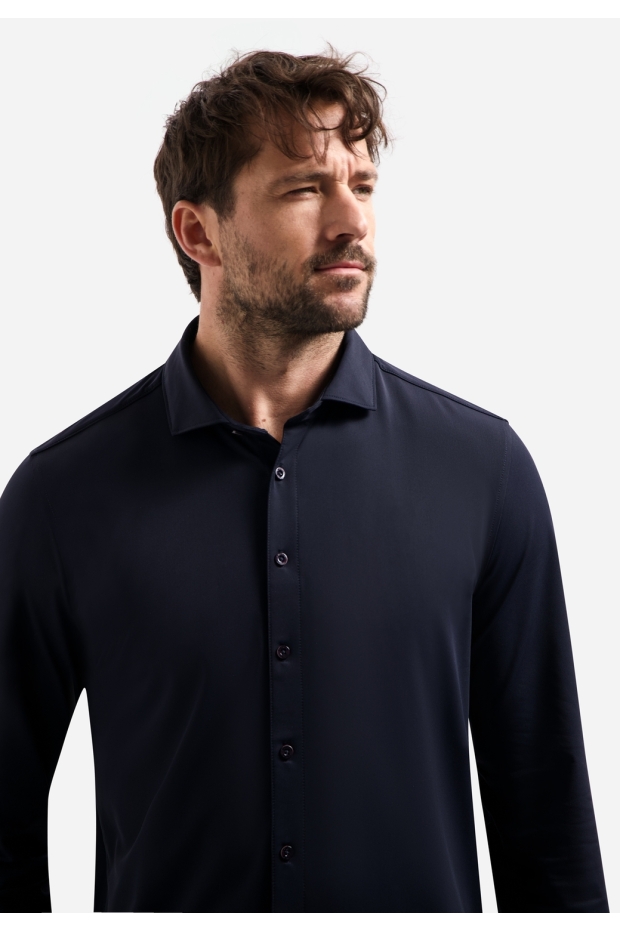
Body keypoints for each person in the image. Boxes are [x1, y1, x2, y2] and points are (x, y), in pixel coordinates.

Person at [0, 48, 609, 914]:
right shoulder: (63, 498)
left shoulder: (485, 472)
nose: (351, 221)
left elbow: (546, 827)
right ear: (198, 233)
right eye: (303, 190)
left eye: (362, 184)